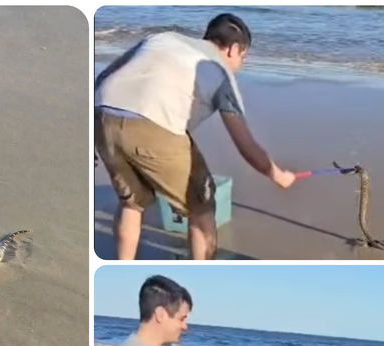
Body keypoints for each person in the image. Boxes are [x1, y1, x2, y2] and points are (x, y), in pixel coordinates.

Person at [94, 13, 297, 260]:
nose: (240, 65)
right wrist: (277, 175)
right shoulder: (221, 74)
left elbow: (105, 77)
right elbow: (245, 144)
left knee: (132, 202)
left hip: (102, 116)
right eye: (243, 57)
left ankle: (123, 265)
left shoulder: (163, 38)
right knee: (202, 206)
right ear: (233, 49)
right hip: (154, 126)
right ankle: (200, 271)